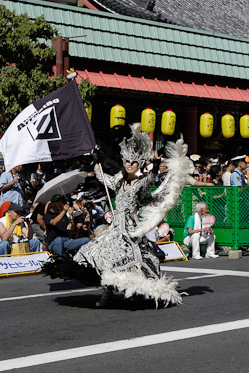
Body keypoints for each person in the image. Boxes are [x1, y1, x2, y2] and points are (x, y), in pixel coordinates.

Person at [44, 125, 194, 307]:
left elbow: (148, 182)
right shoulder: (118, 181)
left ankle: (131, 293)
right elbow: (103, 178)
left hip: (130, 231)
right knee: (99, 255)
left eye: (133, 162)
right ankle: (106, 294)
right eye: (127, 161)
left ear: (138, 165)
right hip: (114, 229)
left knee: (131, 261)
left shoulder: (140, 184)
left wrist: (153, 171)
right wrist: (97, 161)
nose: (130, 164)